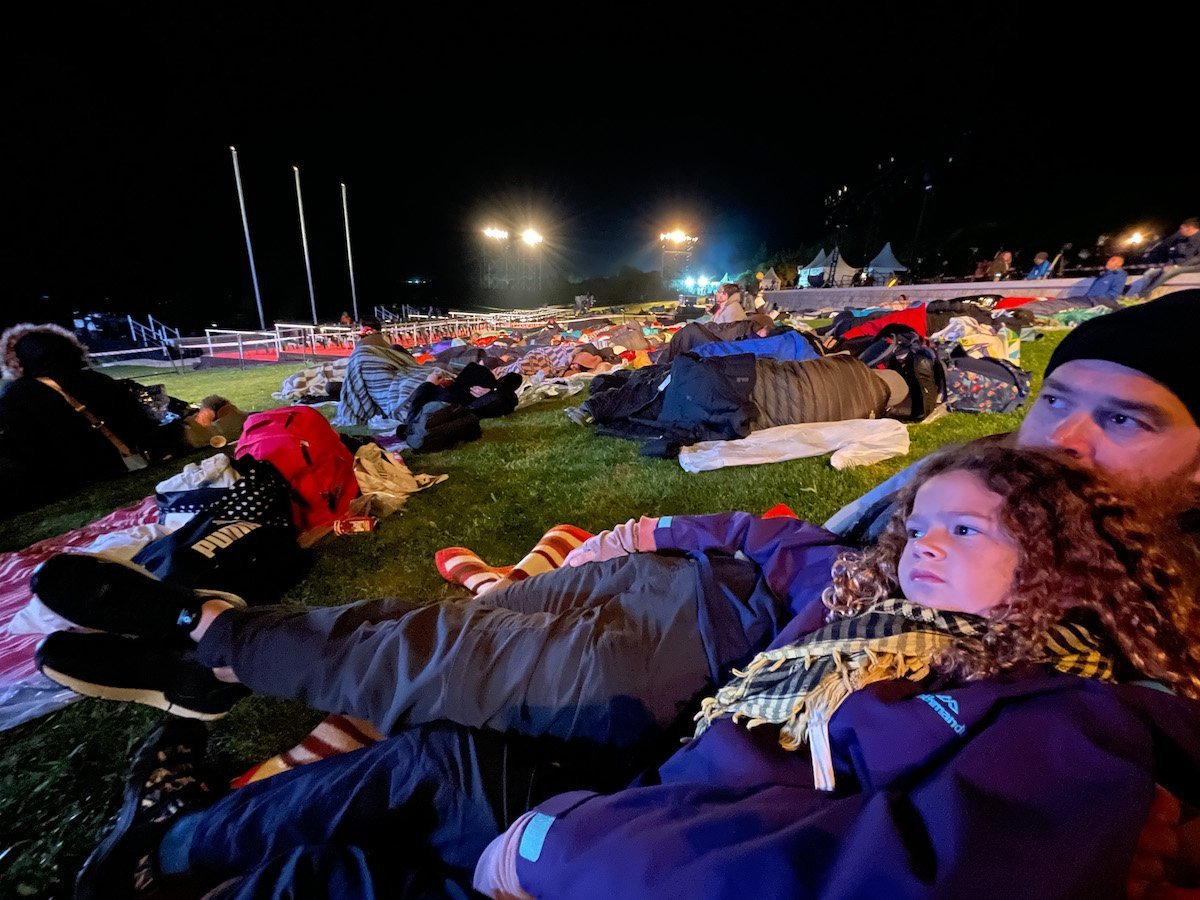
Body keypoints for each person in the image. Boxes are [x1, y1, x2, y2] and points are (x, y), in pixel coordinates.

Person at [67, 443, 1200, 897]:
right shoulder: (868, 594)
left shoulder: (1068, 718)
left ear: (1059, 567)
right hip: (656, 781)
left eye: (970, 532)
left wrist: (568, 842)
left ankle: (206, 644)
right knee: (434, 743)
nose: (926, 546)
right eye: (926, 522)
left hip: (646, 838)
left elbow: (875, 873)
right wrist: (654, 527)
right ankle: (160, 850)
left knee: (382, 832)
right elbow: (792, 546)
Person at [0, 323, 175, 513]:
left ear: (18, 361)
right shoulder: (99, 379)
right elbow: (141, 426)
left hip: (68, 486)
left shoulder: (16, 394)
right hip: (123, 467)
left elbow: (25, 449)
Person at [1133, 218, 1200, 297]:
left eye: (1182, 229)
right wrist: (1168, 264)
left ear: (1190, 228)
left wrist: (1177, 266)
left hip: (1195, 266)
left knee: (1170, 271)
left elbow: (1198, 258)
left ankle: (1141, 295)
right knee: (1149, 273)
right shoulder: (1181, 238)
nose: (1180, 231)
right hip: (1178, 265)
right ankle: (1146, 296)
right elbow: (1172, 254)